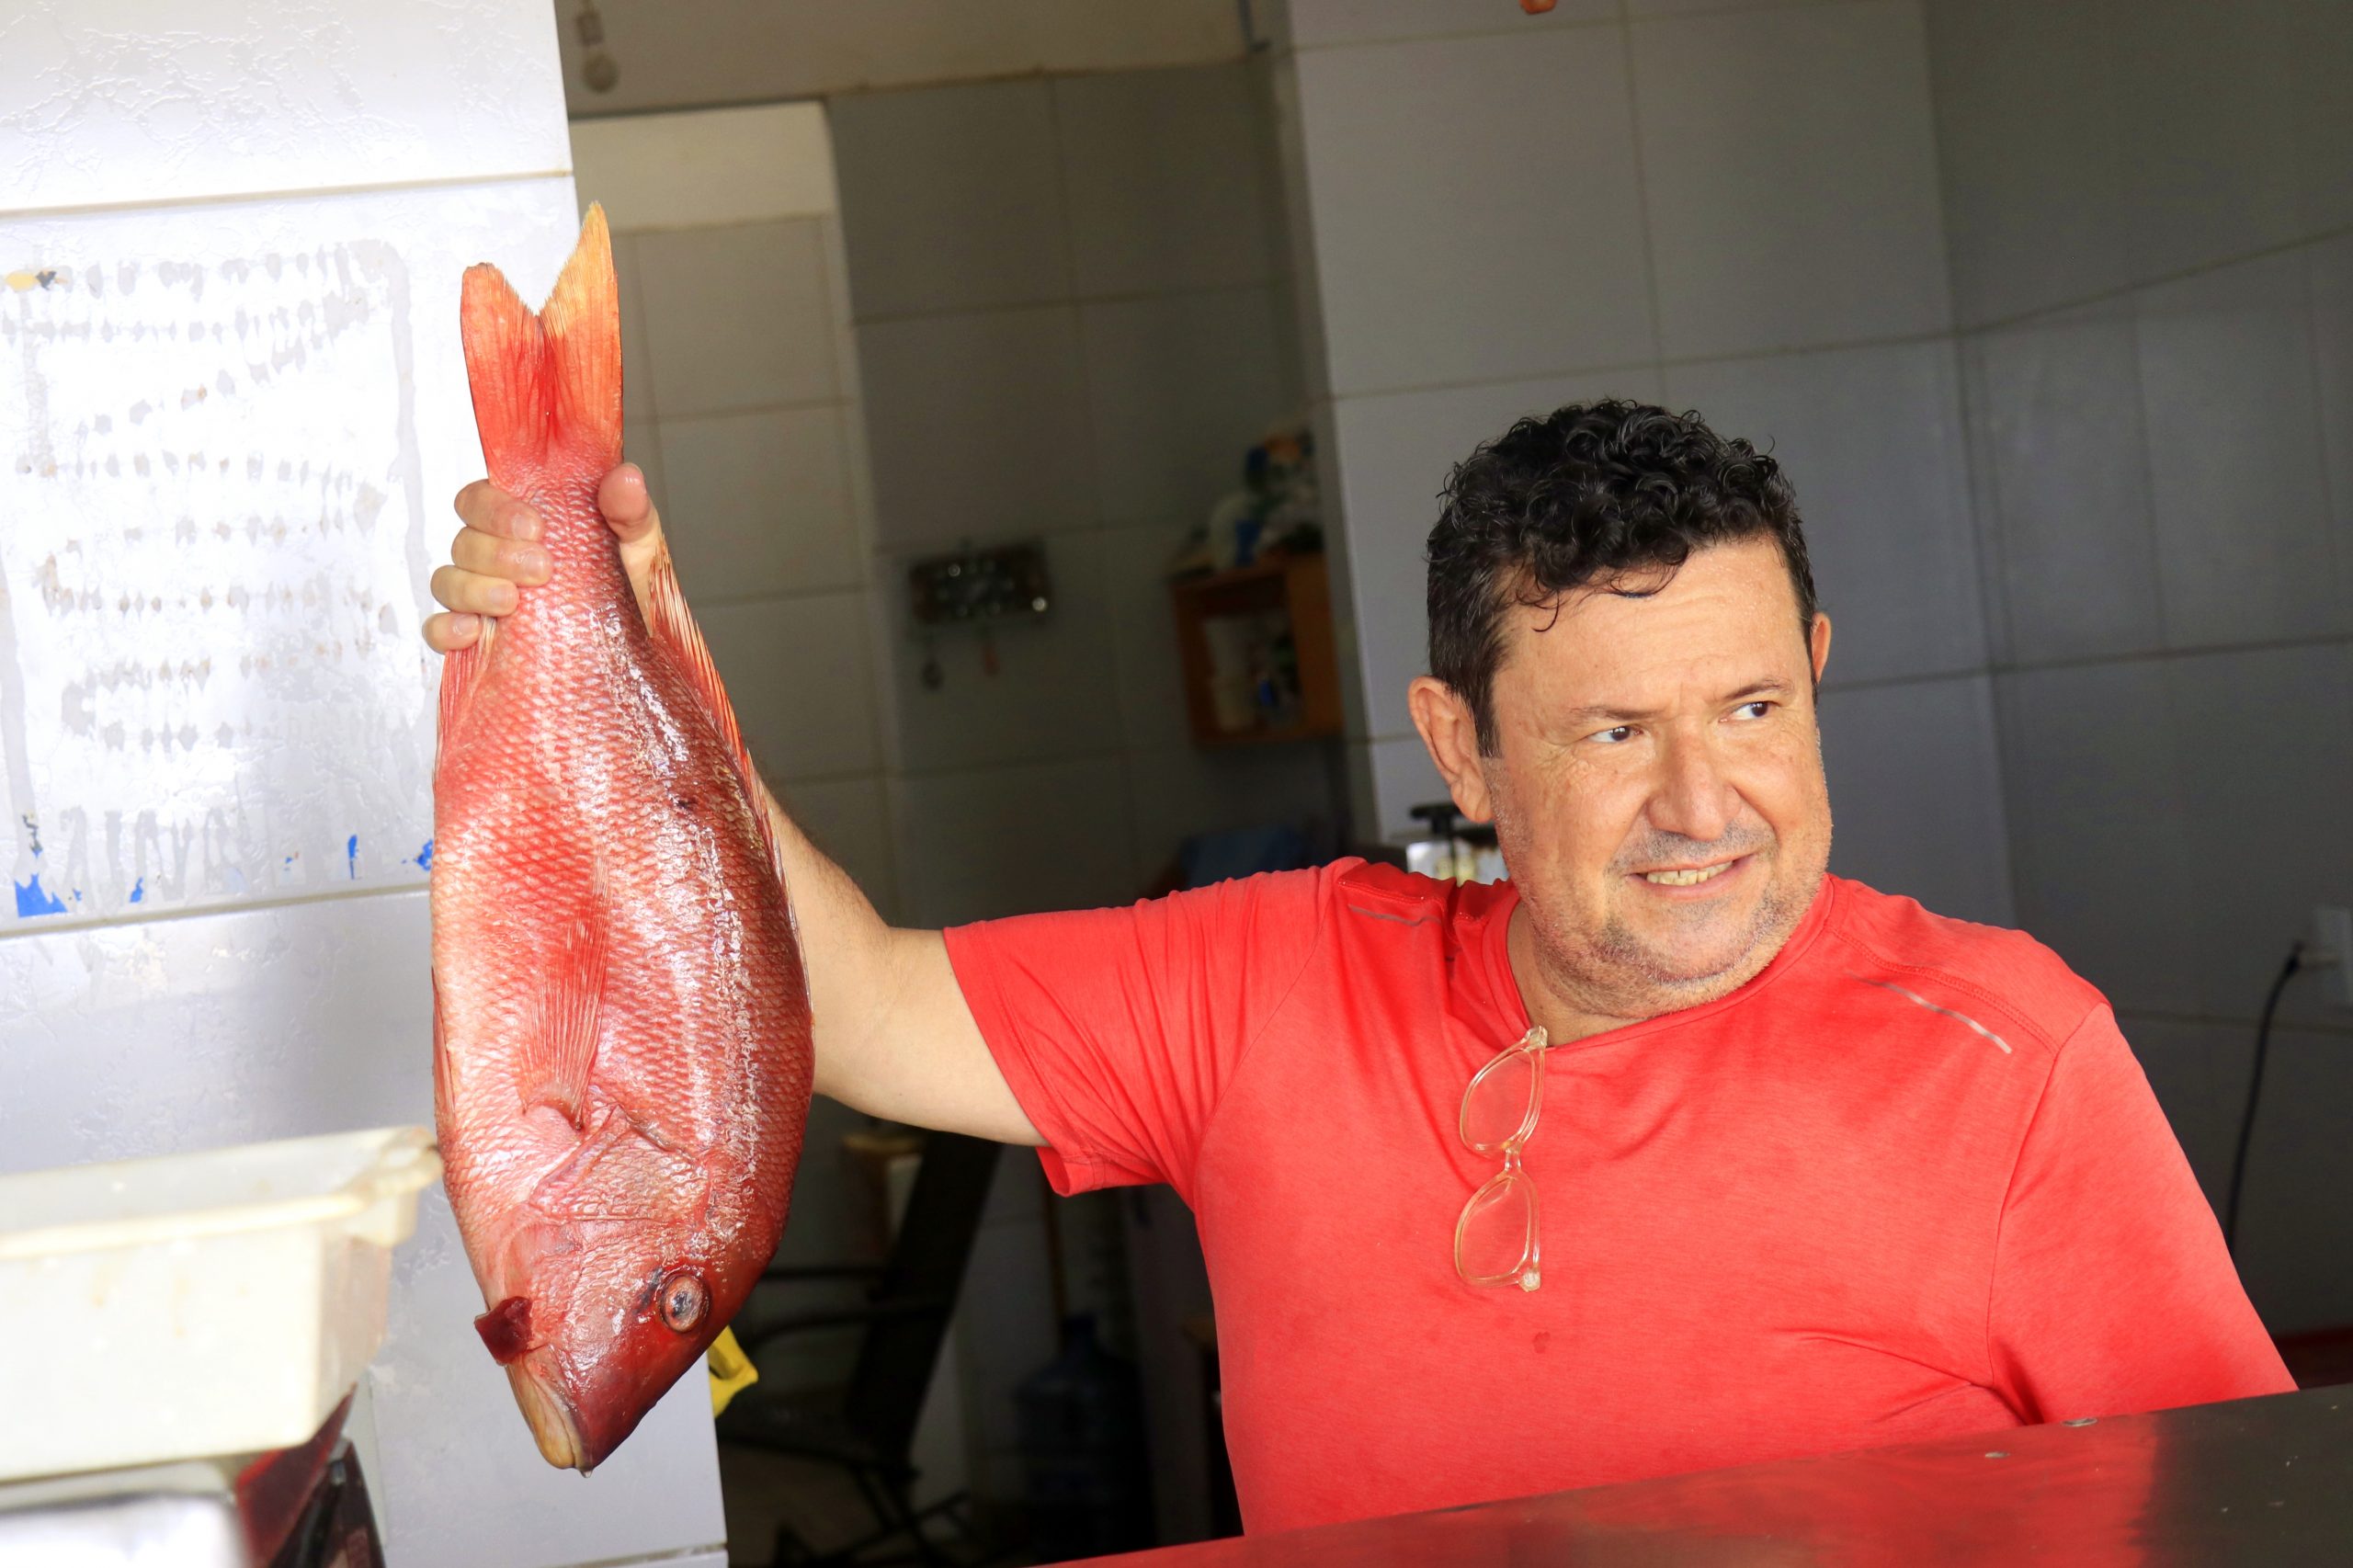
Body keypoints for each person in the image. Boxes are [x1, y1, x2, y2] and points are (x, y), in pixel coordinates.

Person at [425, 401, 2294, 1535]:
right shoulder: (1268, 979)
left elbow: (2243, 1513)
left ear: (1813, 670)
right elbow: (854, 1004)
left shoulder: (2010, 1053)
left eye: (1750, 706)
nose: (1700, 803)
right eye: (1610, 732)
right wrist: (626, 637)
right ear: (1461, 745)